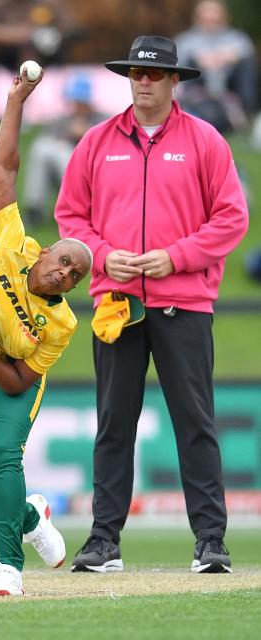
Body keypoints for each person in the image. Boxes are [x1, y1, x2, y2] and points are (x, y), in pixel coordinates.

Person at [54, 35, 249, 574]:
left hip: (184, 302)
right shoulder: (95, 142)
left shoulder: (206, 140)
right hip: (116, 305)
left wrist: (176, 257)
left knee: (195, 422)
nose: (144, 82)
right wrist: (101, 256)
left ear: (173, 81)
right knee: (114, 422)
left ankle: (211, 542)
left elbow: (232, 218)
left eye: (155, 74)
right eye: (136, 74)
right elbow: (71, 218)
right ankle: (103, 542)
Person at [0, 68, 92, 596]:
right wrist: (15, 102)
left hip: (8, 376)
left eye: (76, 276)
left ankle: (8, 567)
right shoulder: (11, 241)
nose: (66, 274)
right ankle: (32, 518)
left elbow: (14, 383)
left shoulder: (62, 322)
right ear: (47, 249)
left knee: (3, 458)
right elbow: (4, 166)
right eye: (65, 261)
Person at [23, 73, 106, 227]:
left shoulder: (102, 121)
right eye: (75, 100)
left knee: (59, 151)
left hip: (92, 176)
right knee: (42, 148)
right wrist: (68, 135)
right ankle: (34, 207)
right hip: (61, 176)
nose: (77, 104)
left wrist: (86, 134)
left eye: (80, 100)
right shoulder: (61, 122)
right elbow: (44, 144)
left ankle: (77, 206)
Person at [174, 0, 258, 133]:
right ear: (197, 17)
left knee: (246, 61)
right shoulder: (186, 40)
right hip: (200, 92)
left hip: (231, 90)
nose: (210, 17)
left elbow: (246, 50)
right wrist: (199, 59)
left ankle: (246, 113)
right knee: (188, 66)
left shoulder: (236, 37)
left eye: (214, 13)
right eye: (206, 13)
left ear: (224, 16)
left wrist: (230, 56)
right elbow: (177, 64)